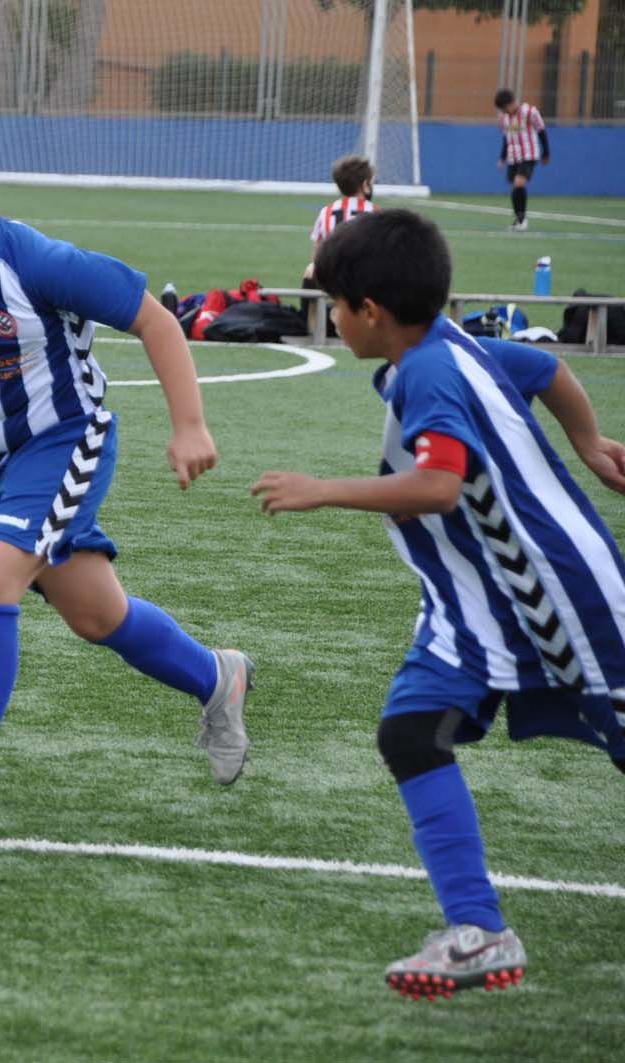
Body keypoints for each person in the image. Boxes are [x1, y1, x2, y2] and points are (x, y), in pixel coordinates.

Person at [250, 209, 625, 1001]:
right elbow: (547, 371)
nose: (334, 319)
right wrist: (588, 444)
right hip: (475, 608)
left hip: (561, 599)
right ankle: (478, 930)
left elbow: (438, 484)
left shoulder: (427, 371)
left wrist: (324, 490)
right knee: (412, 730)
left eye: (336, 306)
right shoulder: (453, 344)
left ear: (371, 313)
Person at [0, 115, 254, 839]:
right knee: (96, 615)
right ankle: (217, 676)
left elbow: (157, 322)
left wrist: (190, 425)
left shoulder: (43, 263)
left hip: (67, 443)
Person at [302, 154, 377, 333]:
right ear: (366, 184)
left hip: (333, 278)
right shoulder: (375, 213)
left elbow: (317, 253)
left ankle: (311, 323)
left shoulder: (326, 212)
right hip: (363, 280)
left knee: (311, 269)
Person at [494, 87, 548, 232]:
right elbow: (506, 138)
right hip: (513, 156)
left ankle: (522, 221)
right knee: (515, 188)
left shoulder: (529, 112)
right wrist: (502, 157)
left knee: (519, 184)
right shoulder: (505, 119)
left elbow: (541, 130)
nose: (504, 112)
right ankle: (519, 219)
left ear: (510, 104)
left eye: (504, 109)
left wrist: (546, 153)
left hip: (529, 155)